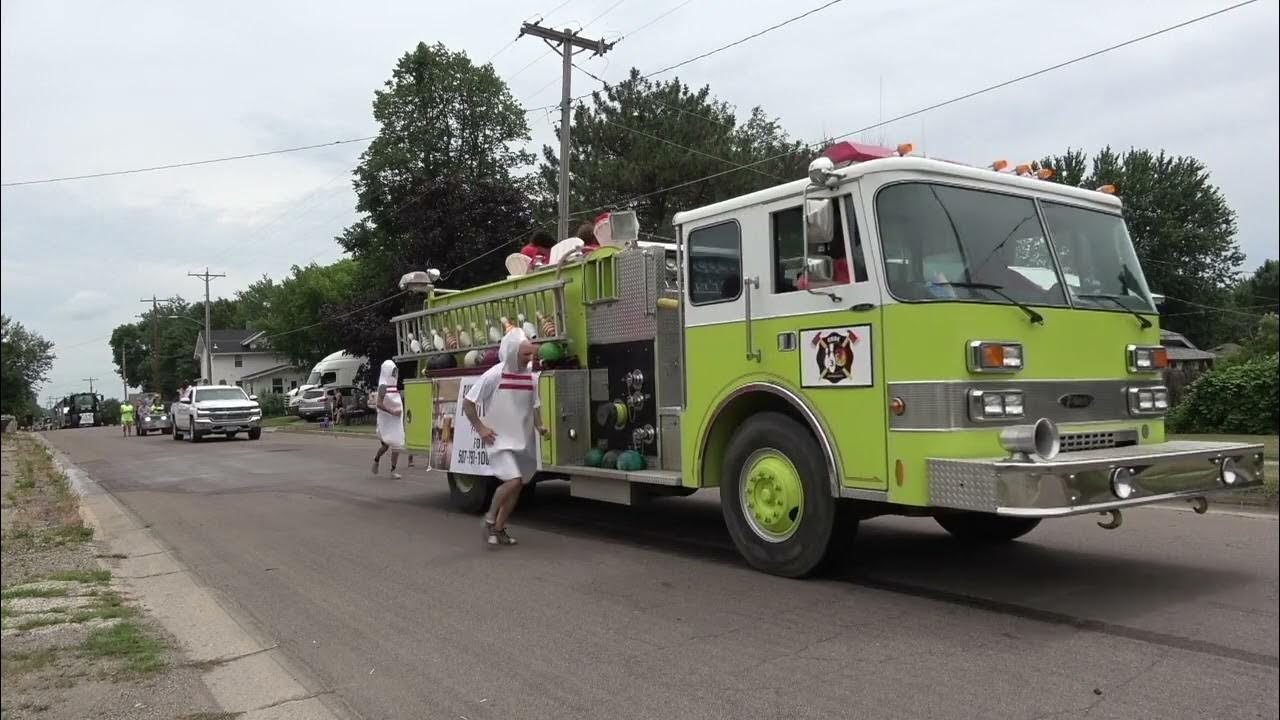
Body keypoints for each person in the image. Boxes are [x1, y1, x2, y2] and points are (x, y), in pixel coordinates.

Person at [463, 328, 548, 547]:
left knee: (519, 485)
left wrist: (540, 426)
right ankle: (489, 520)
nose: (530, 359)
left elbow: (534, 403)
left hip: (521, 438)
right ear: (511, 353)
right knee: (514, 480)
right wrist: (481, 428)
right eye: (525, 355)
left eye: (531, 354)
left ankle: (500, 528)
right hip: (497, 438)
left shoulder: (529, 375)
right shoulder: (495, 374)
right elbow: (468, 403)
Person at [372, 360, 406, 479]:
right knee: (385, 446)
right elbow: (379, 404)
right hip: (386, 421)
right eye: (392, 372)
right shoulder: (383, 387)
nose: (394, 374)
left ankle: (393, 470)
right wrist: (392, 412)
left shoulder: (395, 386)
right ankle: (376, 460)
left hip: (396, 420)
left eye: (395, 372)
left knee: (397, 445)